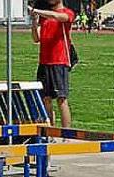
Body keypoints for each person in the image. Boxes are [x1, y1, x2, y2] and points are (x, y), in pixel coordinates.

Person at [29, 0, 75, 128]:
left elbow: (58, 17)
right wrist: (34, 21)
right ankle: (50, 130)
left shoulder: (67, 13)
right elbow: (36, 38)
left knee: (61, 99)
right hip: (44, 61)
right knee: (45, 99)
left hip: (59, 61)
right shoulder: (44, 17)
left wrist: (37, 11)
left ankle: (67, 133)